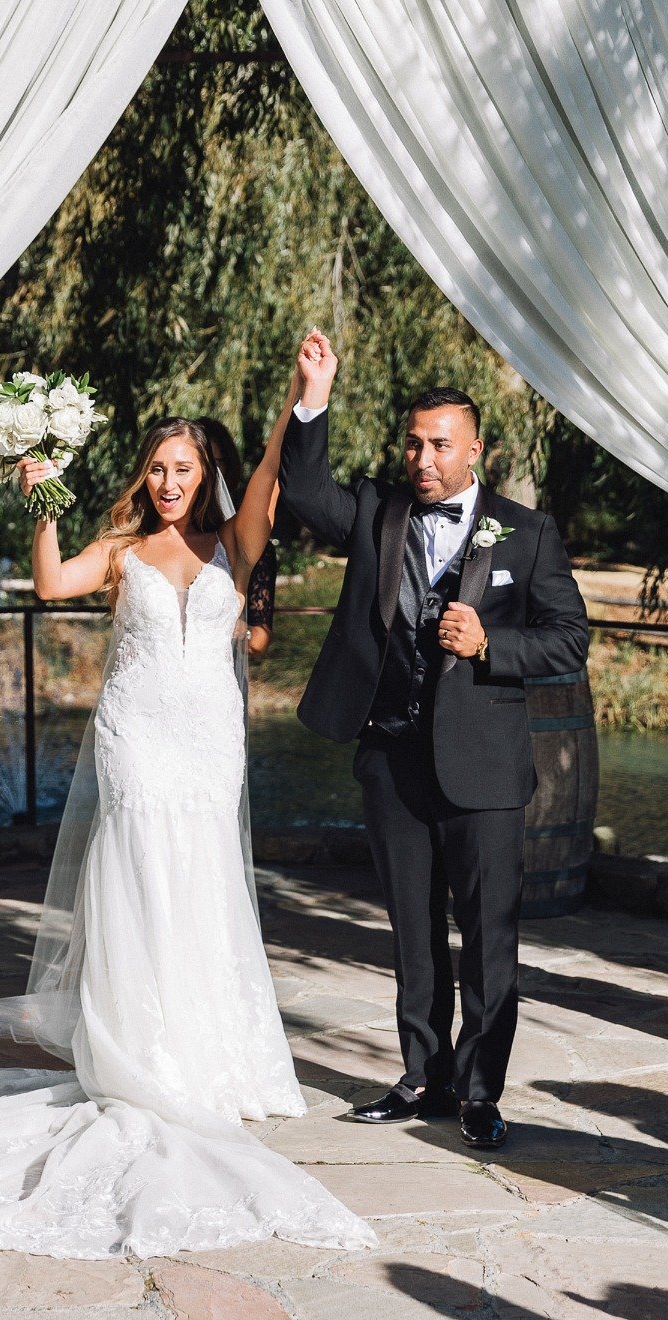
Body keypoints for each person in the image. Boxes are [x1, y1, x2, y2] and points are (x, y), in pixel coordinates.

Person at [0, 376, 374, 1259]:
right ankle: (136, 1050)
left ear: (206, 471)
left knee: (203, 883)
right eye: (158, 469)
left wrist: (298, 398)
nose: (169, 481)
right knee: (136, 875)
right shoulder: (123, 548)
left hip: (207, 745)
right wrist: (41, 494)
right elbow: (52, 583)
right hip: (136, 737)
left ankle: (212, 1051)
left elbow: (274, 477)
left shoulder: (234, 546)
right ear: (144, 477)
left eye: (184, 467)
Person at [280, 329, 588, 1150]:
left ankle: (481, 1093)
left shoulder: (526, 533)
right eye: (413, 442)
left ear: (473, 450)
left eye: (439, 445)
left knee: (488, 938)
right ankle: (422, 1078)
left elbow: (569, 640)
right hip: (391, 755)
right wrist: (313, 396)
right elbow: (305, 494)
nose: (421, 457)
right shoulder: (378, 512)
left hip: (484, 767)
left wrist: (491, 645)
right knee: (413, 933)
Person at [197, 415, 278, 659]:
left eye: (214, 463)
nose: (205, 474)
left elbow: (260, 640)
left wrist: (241, 630)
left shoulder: (247, 543)